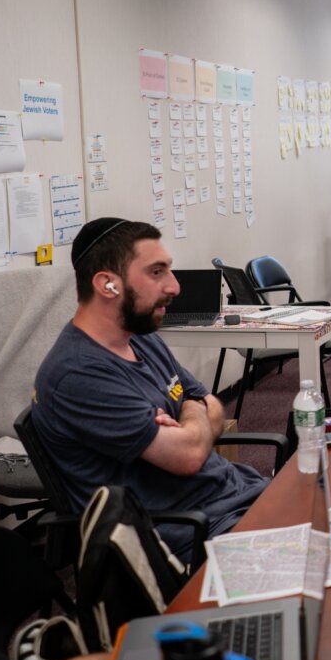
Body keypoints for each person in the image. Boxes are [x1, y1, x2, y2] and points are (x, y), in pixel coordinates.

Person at [31, 218, 268, 555]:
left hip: (238, 495)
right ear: (107, 285)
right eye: (156, 272)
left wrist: (190, 416)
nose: (174, 287)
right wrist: (194, 417)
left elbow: (209, 404)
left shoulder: (141, 340)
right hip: (197, 533)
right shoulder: (79, 374)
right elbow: (188, 455)